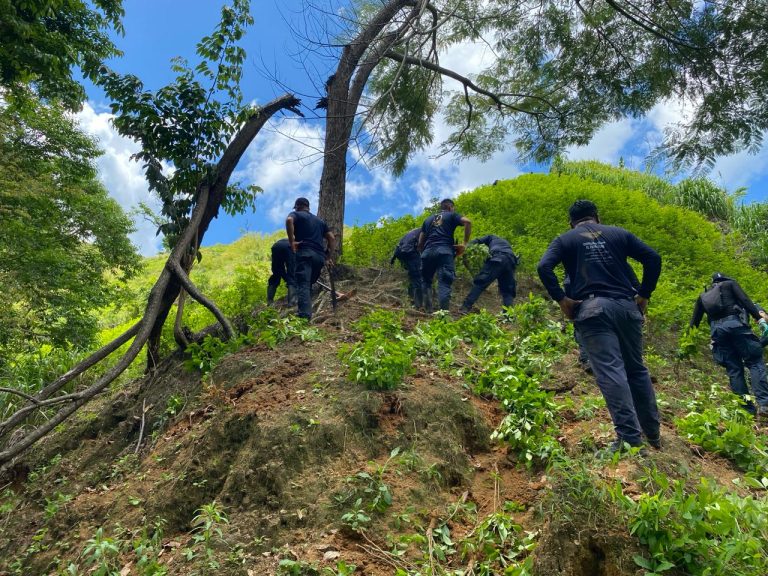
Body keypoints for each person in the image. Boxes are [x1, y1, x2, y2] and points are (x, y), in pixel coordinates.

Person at [537, 199, 663, 455]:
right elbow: (653, 258)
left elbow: (543, 266)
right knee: (636, 369)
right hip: (627, 308)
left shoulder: (565, 239)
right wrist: (644, 293)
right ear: (597, 216)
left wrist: (562, 299)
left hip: (593, 310)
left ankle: (630, 440)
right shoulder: (619, 233)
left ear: (571, 222)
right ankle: (652, 433)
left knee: (610, 371)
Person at [690, 273, 768, 421]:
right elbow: (745, 300)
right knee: (755, 361)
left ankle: (746, 411)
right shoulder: (730, 284)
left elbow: (694, 322)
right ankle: (764, 405)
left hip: (717, 333)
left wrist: (686, 343)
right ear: (725, 279)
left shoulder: (703, 296)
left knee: (734, 370)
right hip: (735, 325)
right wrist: (759, 319)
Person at [286, 197, 335, 320]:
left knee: (303, 284)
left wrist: (292, 242)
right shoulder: (320, 221)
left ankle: (304, 317)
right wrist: (328, 257)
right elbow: (332, 238)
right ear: (308, 206)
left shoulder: (295, 214)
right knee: (308, 285)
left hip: (305, 254)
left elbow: (289, 220)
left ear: (297, 206)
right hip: (319, 258)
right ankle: (307, 309)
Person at [418, 199, 471, 312]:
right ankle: (443, 316)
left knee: (426, 281)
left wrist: (424, 254)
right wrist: (464, 244)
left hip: (427, 253)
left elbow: (420, 242)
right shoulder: (451, 215)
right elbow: (467, 222)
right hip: (444, 251)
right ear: (449, 207)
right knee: (444, 283)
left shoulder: (427, 220)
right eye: (453, 208)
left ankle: (428, 311)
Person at [459, 235, 518, 314]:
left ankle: (465, 307)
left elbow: (477, 241)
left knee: (480, 283)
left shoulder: (491, 237)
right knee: (508, 290)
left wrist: (464, 246)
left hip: (498, 258)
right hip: (511, 262)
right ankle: (508, 315)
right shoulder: (506, 244)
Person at [390, 228, 424, 308]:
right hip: (409, 251)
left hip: (400, 251)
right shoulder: (426, 231)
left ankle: (410, 300)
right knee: (417, 277)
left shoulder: (416, 231)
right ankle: (418, 305)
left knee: (413, 277)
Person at [267, 238, 296, 306]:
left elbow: (281, 270)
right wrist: (289, 280)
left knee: (276, 273)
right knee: (292, 275)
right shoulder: (298, 244)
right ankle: (292, 302)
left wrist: (286, 279)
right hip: (289, 246)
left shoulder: (287, 239)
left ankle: (269, 301)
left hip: (276, 246)